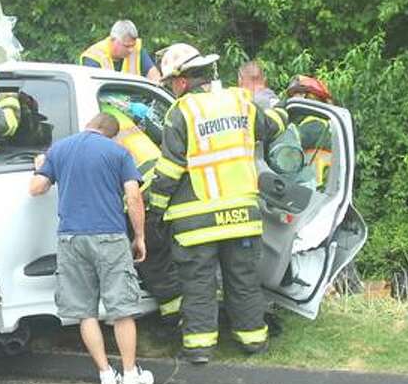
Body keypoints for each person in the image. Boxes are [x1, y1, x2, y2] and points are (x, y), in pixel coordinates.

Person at [148, 44, 287, 364]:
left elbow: (169, 170)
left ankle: (198, 349)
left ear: (182, 81)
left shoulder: (182, 112)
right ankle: (254, 341)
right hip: (242, 217)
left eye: (171, 83)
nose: (171, 88)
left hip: (197, 222)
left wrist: (156, 209)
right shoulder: (241, 101)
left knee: (198, 284)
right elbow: (272, 127)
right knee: (243, 280)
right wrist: (284, 107)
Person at [29, 112, 155, 384]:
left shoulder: (59, 149)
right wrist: (140, 237)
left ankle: (106, 376)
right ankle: (132, 375)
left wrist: (40, 168)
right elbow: (133, 197)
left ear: (90, 124)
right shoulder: (119, 153)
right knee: (122, 309)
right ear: (111, 133)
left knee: (85, 311)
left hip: (71, 238)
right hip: (109, 237)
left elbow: (36, 189)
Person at [98, 96, 181, 326]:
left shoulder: (99, 116)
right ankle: (175, 314)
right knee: (160, 255)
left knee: (152, 257)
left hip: (140, 191)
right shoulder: (119, 109)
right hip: (154, 178)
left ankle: (174, 317)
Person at [285, 75, 334, 190]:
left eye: (295, 95)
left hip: (314, 192)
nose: (291, 100)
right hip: (319, 190)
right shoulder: (326, 125)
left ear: (307, 97)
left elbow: (288, 142)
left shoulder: (315, 125)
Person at [80, 20, 162, 82]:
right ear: (113, 40)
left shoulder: (136, 50)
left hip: (134, 100)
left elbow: (154, 77)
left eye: (132, 45)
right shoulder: (94, 56)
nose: (131, 50)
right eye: (126, 46)